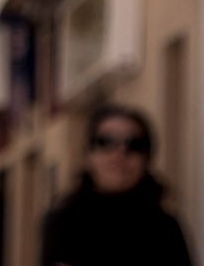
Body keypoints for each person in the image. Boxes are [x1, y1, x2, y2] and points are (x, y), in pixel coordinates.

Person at [39, 105, 192, 266]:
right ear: (88, 154)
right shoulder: (64, 222)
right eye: (105, 143)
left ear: (146, 158)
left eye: (134, 145)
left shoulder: (165, 228)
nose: (119, 155)